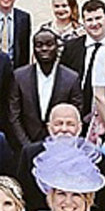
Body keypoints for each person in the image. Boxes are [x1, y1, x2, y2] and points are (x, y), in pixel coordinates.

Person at [6, 27, 84, 155]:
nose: (44, 49)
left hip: (61, 148)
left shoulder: (71, 78)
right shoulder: (19, 76)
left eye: (49, 44)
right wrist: (27, 146)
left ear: (57, 48)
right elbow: (14, 115)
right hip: (25, 147)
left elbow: (76, 113)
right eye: (39, 45)